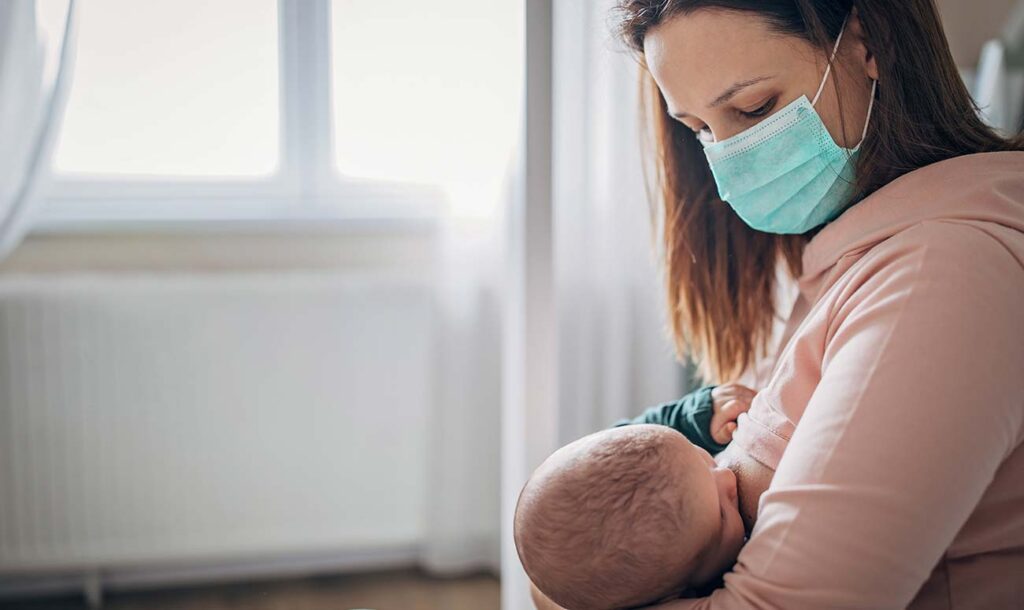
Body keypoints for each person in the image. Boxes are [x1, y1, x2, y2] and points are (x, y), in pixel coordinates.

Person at [598, 0, 1024, 607]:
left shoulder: (942, 272)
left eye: (755, 108)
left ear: (867, 42)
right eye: (700, 130)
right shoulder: (848, 257)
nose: (729, 163)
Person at [513, 424, 754, 610]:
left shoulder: (668, 465)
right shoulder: (728, 593)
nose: (727, 477)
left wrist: (701, 415)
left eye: (702, 457)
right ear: (676, 595)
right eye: (722, 515)